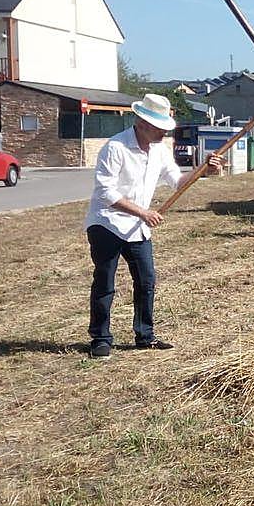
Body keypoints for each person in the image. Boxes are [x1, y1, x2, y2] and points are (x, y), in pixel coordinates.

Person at [84, 93, 223, 359]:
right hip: (106, 224)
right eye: (160, 128)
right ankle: (101, 338)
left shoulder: (159, 149)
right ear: (143, 123)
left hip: (137, 228)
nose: (163, 132)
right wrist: (143, 212)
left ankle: (144, 336)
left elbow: (178, 181)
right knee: (105, 281)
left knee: (146, 281)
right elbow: (105, 193)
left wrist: (204, 171)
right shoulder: (115, 148)